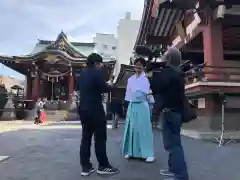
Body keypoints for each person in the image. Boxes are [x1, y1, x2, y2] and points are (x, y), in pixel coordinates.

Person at [147, 47, 189, 180]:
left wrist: (149, 73)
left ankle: (180, 175)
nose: (162, 58)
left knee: (173, 145)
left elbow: (155, 87)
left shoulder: (168, 72)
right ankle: (173, 170)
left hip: (170, 112)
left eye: (164, 56)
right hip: (177, 112)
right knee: (173, 143)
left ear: (169, 58)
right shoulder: (178, 72)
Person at [77, 53, 118, 176]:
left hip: (83, 109)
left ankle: (85, 167)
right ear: (96, 63)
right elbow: (104, 88)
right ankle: (103, 165)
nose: (101, 66)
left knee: (86, 138)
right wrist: (110, 85)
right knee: (100, 138)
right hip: (95, 109)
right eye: (100, 63)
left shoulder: (82, 74)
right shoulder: (97, 73)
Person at [122, 57, 155, 163]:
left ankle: (149, 154)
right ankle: (132, 152)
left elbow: (150, 92)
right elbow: (128, 93)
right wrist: (127, 104)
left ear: (143, 66)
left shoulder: (147, 78)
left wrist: (151, 104)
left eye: (140, 64)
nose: (138, 66)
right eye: (136, 64)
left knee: (144, 130)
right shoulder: (130, 79)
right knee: (132, 129)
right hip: (132, 105)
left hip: (143, 105)